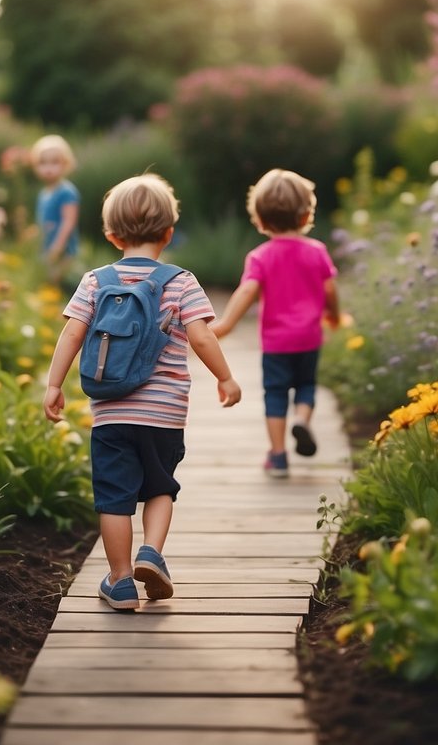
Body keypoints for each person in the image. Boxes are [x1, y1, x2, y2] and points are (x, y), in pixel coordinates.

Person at [43, 174, 242, 611]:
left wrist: (55, 383)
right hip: (166, 415)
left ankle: (121, 581)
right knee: (159, 488)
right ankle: (151, 552)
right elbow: (203, 337)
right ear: (169, 233)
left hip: (111, 414)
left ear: (112, 235)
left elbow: (72, 333)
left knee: (114, 499)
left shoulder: (96, 280)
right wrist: (225, 377)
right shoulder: (182, 281)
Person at [210, 168, 340, 478]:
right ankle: (302, 421)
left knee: (276, 394)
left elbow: (248, 290)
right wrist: (333, 314)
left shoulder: (260, 257)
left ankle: (279, 456)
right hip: (309, 337)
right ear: (306, 214)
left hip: (276, 343)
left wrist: (226, 323)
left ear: (260, 219)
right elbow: (330, 288)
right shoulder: (317, 251)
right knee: (307, 385)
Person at [31, 134, 80, 285]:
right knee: (46, 283)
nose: (48, 168)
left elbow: (69, 222)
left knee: (57, 284)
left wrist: (57, 247)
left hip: (62, 250)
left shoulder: (67, 191)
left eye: (54, 162)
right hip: (46, 246)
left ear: (65, 163)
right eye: (43, 163)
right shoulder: (44, 193)